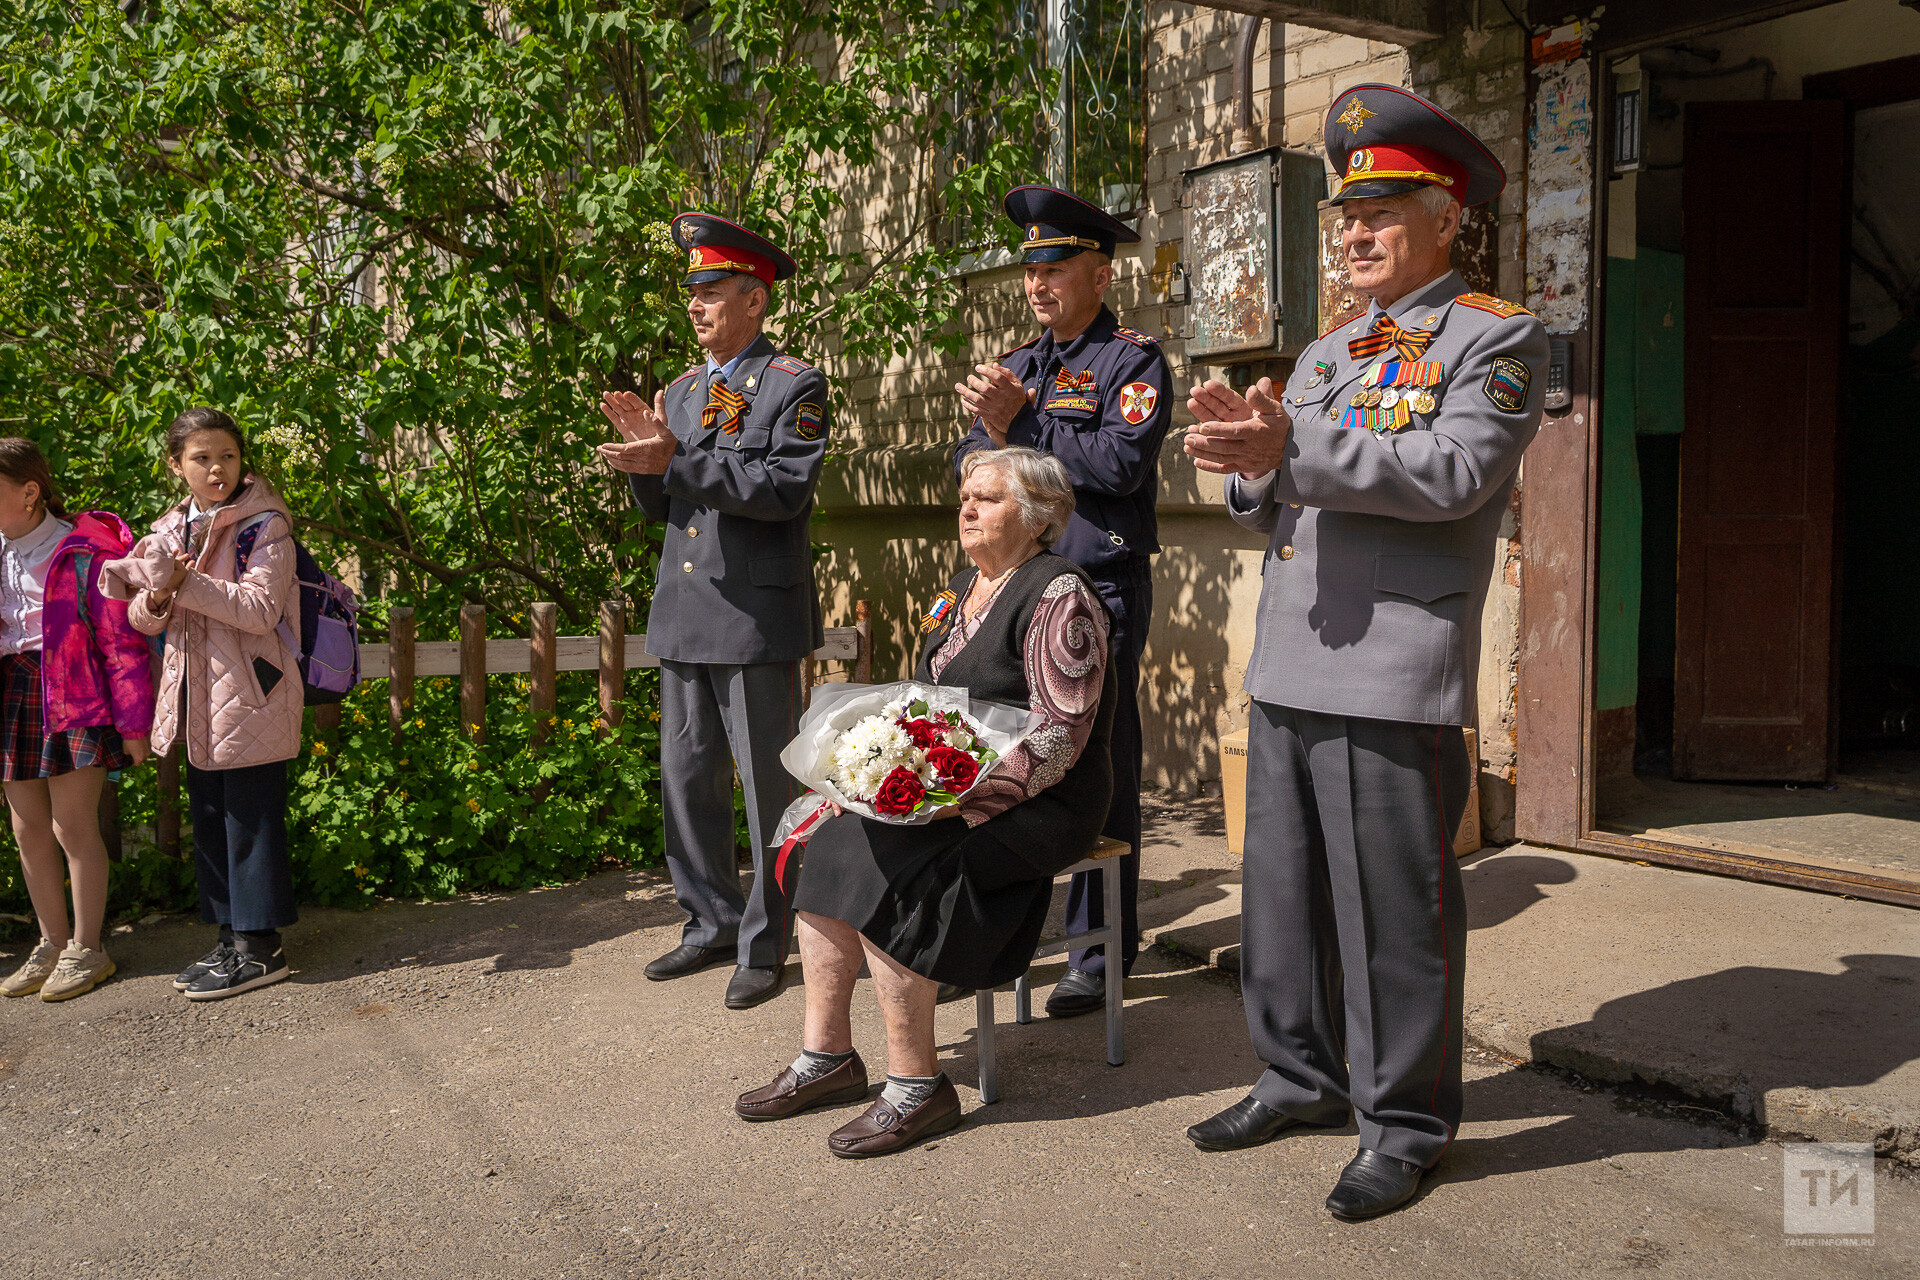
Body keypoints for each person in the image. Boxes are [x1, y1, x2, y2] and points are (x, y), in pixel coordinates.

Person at [1179, 83, 1548, 1221]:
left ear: (1448, 219)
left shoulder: (1496, 341)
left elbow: (1451, 476)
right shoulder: (1335, 348)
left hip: (1392, 669)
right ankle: (1297, 1073)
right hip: (1292, 656)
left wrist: (1292, 446)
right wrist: (1246, 460)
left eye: (1384, 209)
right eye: (1348, 213)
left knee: (1393, 913)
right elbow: (1277, 493)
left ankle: (1406, 1123)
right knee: (1281, 902)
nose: (1354, 231)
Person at [734, 446, 1115, 1156]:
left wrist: (957, 803)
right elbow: (923, 702)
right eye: (965, 497)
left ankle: (917, 1085)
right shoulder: (962, 585)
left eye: (988, 499)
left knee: (898, 868)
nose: (967, 509)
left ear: (1038, 518)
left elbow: (1060, 739)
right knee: (829, 843)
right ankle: (829, 1057)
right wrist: (872, 776)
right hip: (941, 790)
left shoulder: (1060, 597)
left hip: (1039, 801)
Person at [597, 213, 830, 1011]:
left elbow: (783, 490)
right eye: (690, 293)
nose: (694, 307)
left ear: (754, 301)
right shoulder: (684, 391)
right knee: (687, 779)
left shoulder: (794, 383)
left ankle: (767, 941)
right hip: (687, 611)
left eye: (710, 292)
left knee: (770, 790)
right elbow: (664, 506)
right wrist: (643, 466)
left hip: (754, 618)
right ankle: (708, 921)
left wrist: (676, 460)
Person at [951, 185, 1172, 1018]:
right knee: (1005, 749)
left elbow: (1119, 466)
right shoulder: (1021, 361)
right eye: (1030, 269)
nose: (1038, 284)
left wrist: (1026, 424)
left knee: (1097, 760)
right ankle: (1001, 933)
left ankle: (1098, 951)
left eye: (1056, 268)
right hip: (1013, 592)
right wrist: (1005, 426)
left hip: (1098, 589)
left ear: (1100, 274)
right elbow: (979, 463)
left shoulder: (1133, 360)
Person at [123, 408, 305, 1001]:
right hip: (194, 696)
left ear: (242, 459)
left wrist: (182, 585)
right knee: (210, 819)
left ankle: (261, 948)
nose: (216, 468)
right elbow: (143, 616)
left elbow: (259, 610)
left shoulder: (264, 524)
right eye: (201, 458)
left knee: (249, 821)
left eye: (227, 455)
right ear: (177, 466)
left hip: (252, 692)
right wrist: (156, 594)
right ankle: (230, 941)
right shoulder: (171, 528)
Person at [0, 440, 154, 1002]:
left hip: (73, 694)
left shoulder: (82, 549)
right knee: (26, 828)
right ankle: (50, 941)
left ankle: (88, 949)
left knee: (73, 826)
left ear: (29, 492)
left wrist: (136, 724)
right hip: (13, 693)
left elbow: (121, 641)